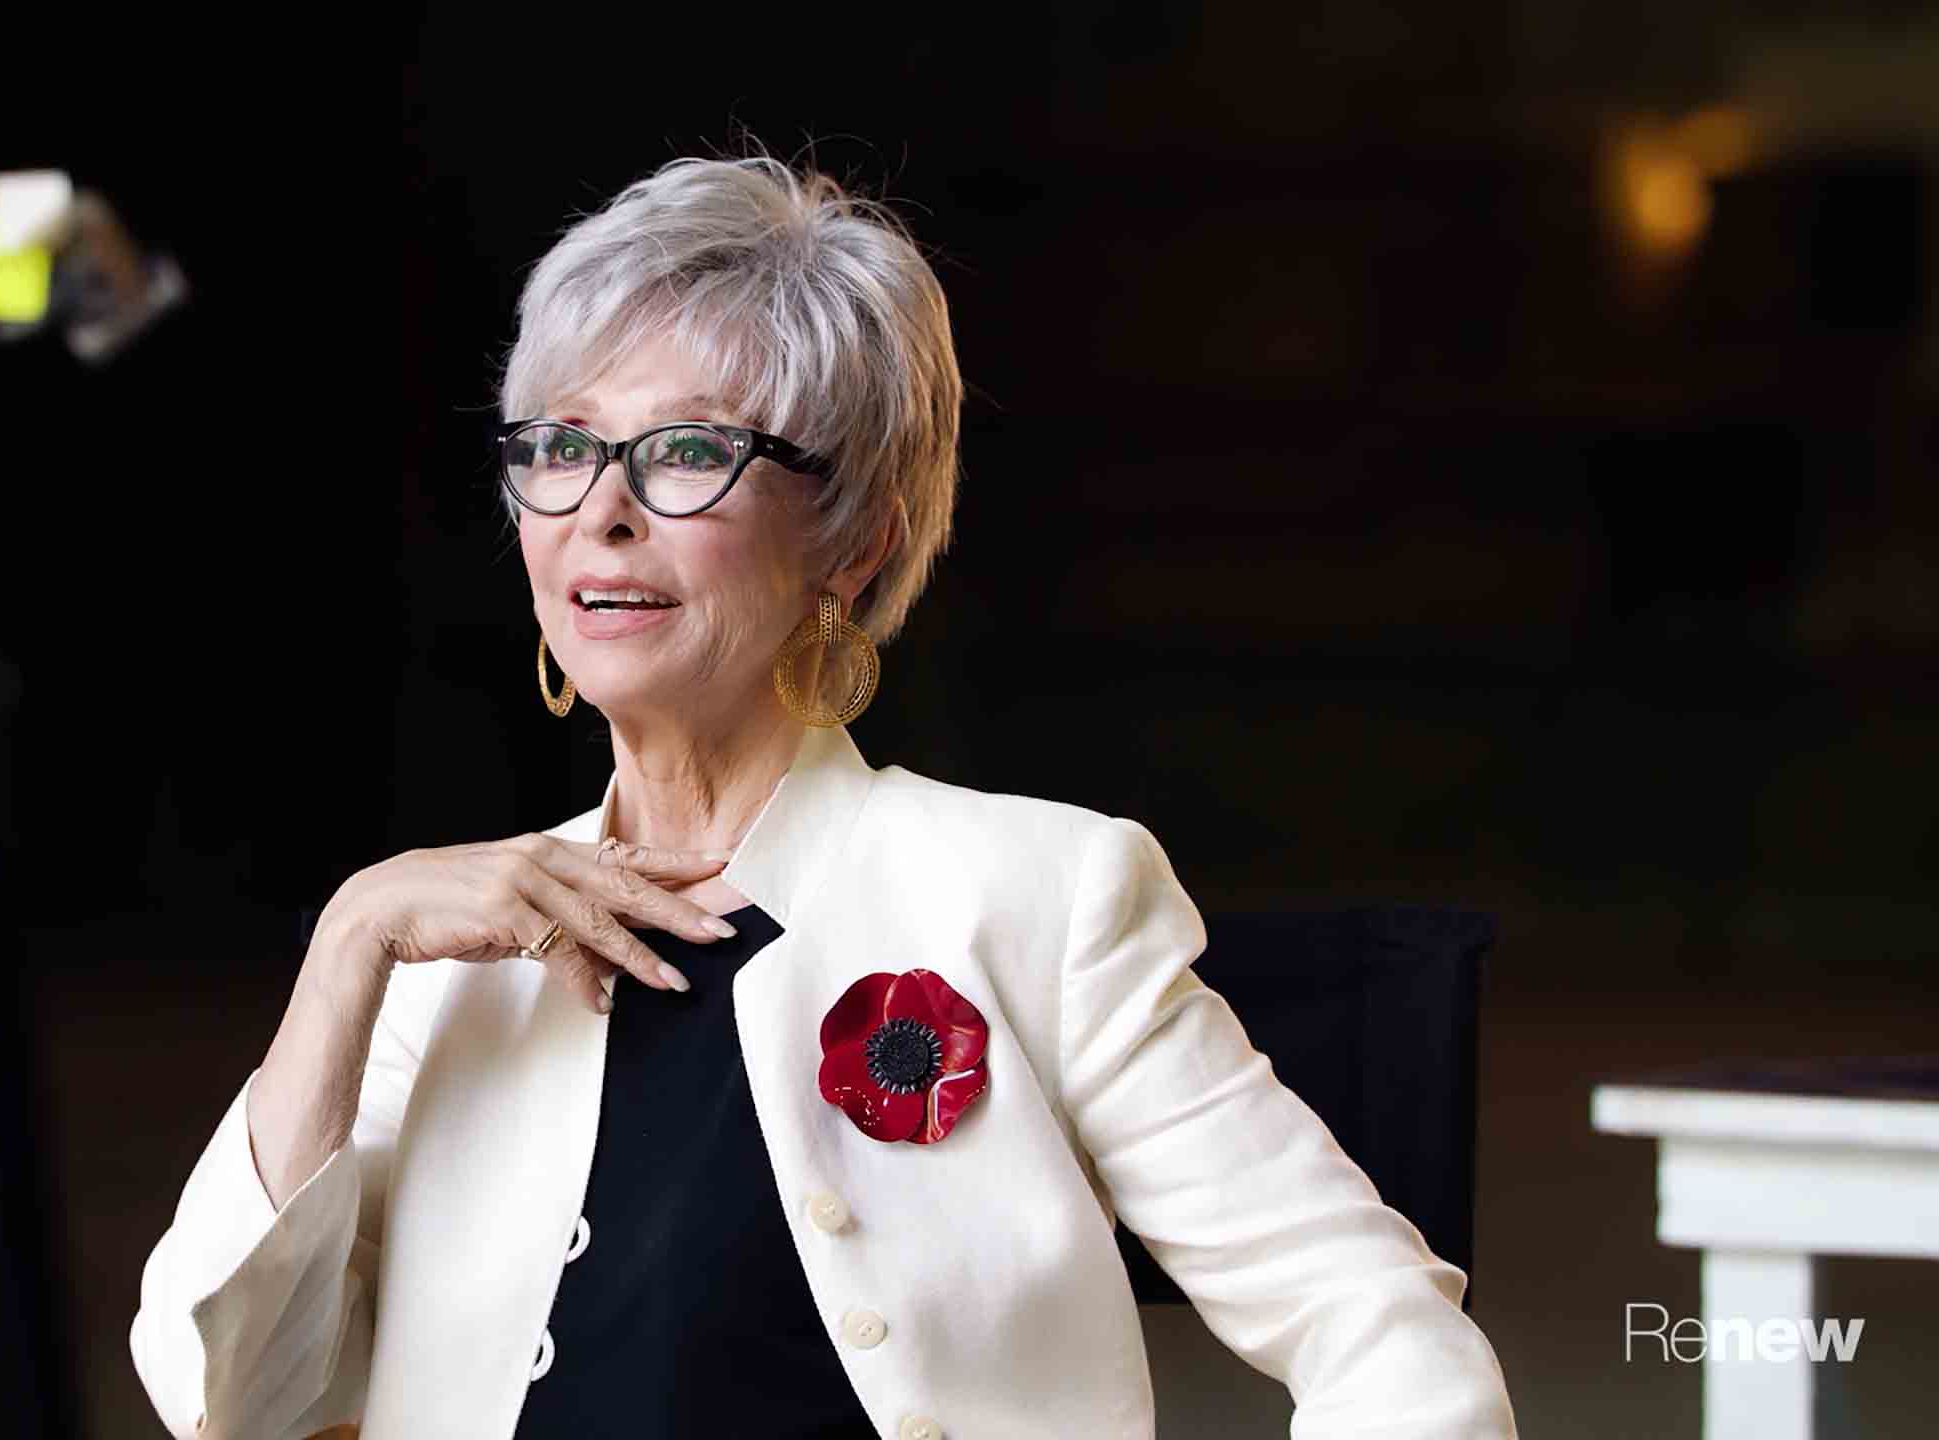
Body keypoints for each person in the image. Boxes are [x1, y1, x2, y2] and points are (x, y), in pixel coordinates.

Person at [131, 153, 1518, 1440]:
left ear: (852, 544)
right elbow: (227, 1398)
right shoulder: (440, 952)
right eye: (562, 445)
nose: (601, 510)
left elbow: (1384, 1333)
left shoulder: (1042, 896)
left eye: (688, 451)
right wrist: (351, 941)